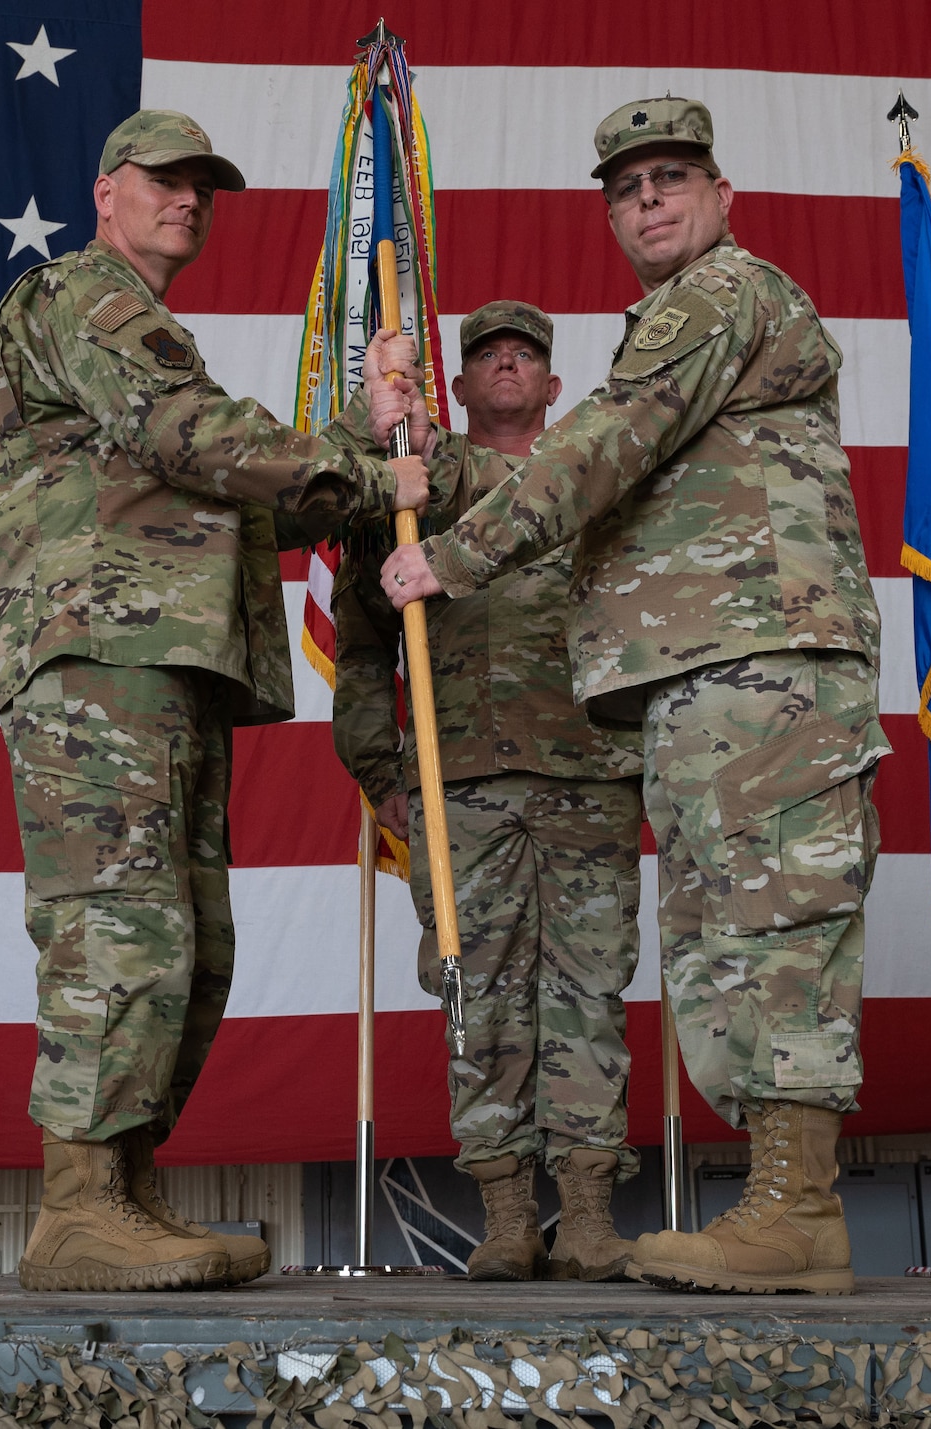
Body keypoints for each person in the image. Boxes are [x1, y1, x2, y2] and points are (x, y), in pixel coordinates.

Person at [381, 99, 884, 1296]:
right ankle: (779, 1202)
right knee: (723, 937)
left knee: (773, 927)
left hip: (764, 660)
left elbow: (604, 441)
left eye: (670, 178)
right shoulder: (673, 314)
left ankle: (795, 1208)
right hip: (706, 671)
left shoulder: (719, 295)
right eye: (625, 188)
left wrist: (452, 553)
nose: (648, 201)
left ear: (722, 196)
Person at [0, 108, 430, 1293]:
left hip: (167, 668)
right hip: (100, 660)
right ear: (105, 192)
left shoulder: (153, 337)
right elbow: (192, 438)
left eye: (203, 186)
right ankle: (78, 1202)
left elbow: (254, 500)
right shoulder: (79, 299)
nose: (187, 199)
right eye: (165, 180)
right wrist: (367, 468)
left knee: (188, 942)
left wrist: (358, 433)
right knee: (121, 926)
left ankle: (120, 1188)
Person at [333, 302, 646, 1282]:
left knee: (587, 995)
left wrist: (654, 757)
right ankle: (507, 1214)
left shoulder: (595, 489)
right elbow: (360, 639)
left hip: (587, 775)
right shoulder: (415, 493)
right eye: (486, 357)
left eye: (526, 356)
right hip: (453, 780)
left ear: (554, 388)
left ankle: (589, 1216)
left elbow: (648, 615)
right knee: (477, 998)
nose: (506, 365)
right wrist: (379, 770)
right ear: (459, 389)